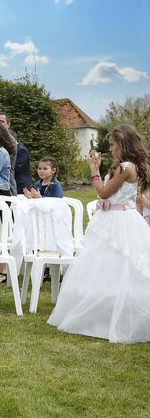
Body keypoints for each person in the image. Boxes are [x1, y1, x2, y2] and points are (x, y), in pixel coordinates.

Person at [48, 124, 150, 343]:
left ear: (123, 144)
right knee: (107, 268)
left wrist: (94, 171)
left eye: (113, 145)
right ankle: (105, 313)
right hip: (115, 218)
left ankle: (114, 316)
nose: (110, 149)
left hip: (119, 222)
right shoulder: (130, 166)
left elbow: (104, 193)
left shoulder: (126, 167)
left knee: (118, 266)